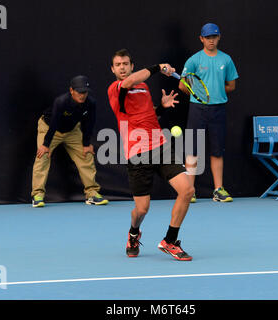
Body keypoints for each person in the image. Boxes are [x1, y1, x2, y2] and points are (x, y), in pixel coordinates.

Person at [107, 49, 195, 261]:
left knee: (187, 190)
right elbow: (128, 83)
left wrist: (162, 108)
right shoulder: (115, 88)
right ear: (113, 69)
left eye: (125, 64)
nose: (122, 67)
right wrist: (158, 67)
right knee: (142, 209)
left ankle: (170, 241)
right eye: (118, 64)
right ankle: (134, 233)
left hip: (161, 146)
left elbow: (146, 115)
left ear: (131, 65)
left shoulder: (144, 87)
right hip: (137, 155)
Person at [179, 23, 239, 203]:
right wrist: (199, 95)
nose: (211, 40)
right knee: (192, 151)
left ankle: (218, 190)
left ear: (219, 37)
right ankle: (190, 190)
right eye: (207, 37)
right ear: (201, 39)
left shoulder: (226, 60)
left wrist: (214, 94)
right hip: (197, 110)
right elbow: (182, 85)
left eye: (214, 37)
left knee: (217, 151)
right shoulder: (193, 60)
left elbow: (231, 85)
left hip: (218, 109)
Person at [31, 75, 108, 207]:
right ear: (71, 90)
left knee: (86, 155)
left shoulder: (91, 103)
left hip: (72, 131)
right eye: (79, 92)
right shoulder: (61, 101)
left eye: (85, 92)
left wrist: (86, 144)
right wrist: (46, 145)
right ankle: (37, 195)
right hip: (49, 128)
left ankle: (92, 194)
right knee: (42, 155)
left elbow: (89, 123)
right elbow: (54, 123)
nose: (82, 95)